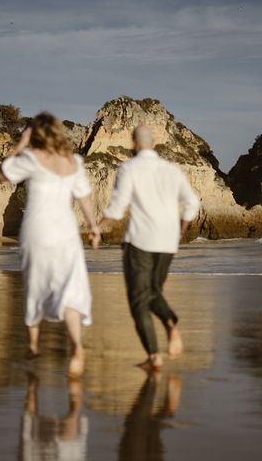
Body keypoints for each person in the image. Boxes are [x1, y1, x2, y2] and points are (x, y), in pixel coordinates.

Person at [0, 112, 100, 377]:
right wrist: (94, 228)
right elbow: (85, 199)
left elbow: (2, 175)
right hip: (67, 234)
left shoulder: (31, 159)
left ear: (37, 135)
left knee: (35, 284)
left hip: (37, 232)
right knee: (70, 289)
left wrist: (20, 146)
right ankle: (76, 346)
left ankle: (33, 345)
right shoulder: (74, 162)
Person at [96, 125, 200, 370]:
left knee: (139, 299)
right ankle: (170, 325)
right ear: (153, 144)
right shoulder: (172, 170)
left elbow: (118, 206)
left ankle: (154, 356)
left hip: (140, 241)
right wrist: (181, 229)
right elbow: (192, 203)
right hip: (167, 241)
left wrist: (99, 228)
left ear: (133, 144)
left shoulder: (128, 168)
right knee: (153, 291)